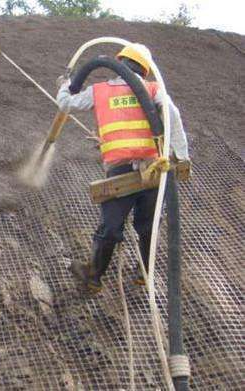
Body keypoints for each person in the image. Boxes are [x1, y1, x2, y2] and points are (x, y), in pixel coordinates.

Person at [57, 43, 190, 294]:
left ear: (120, 62)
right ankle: (144, 274)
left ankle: (93, 277)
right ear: (144, 68)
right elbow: (173, 115)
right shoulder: (153, 88)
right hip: (153, 171)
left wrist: (65, 84)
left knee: (110, 227)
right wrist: (181, 156)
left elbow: (65, 103)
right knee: (149, 225)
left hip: (121, 174)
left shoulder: (99, 91)